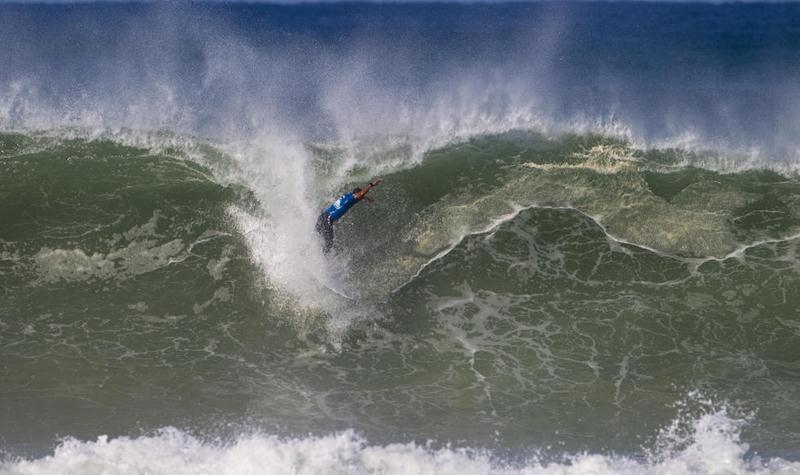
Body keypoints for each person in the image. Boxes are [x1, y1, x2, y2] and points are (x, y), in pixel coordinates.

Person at [315, 179, 382, 254]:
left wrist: (366, 198)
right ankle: (321, 259)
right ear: (356, 194)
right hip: (328, 219)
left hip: (322, 216)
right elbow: (361, 194)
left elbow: (359, 196)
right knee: (329, 243)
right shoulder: (352, 198)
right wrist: (371, 185)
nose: (358, 198)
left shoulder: (347, 196)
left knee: (315, 236)